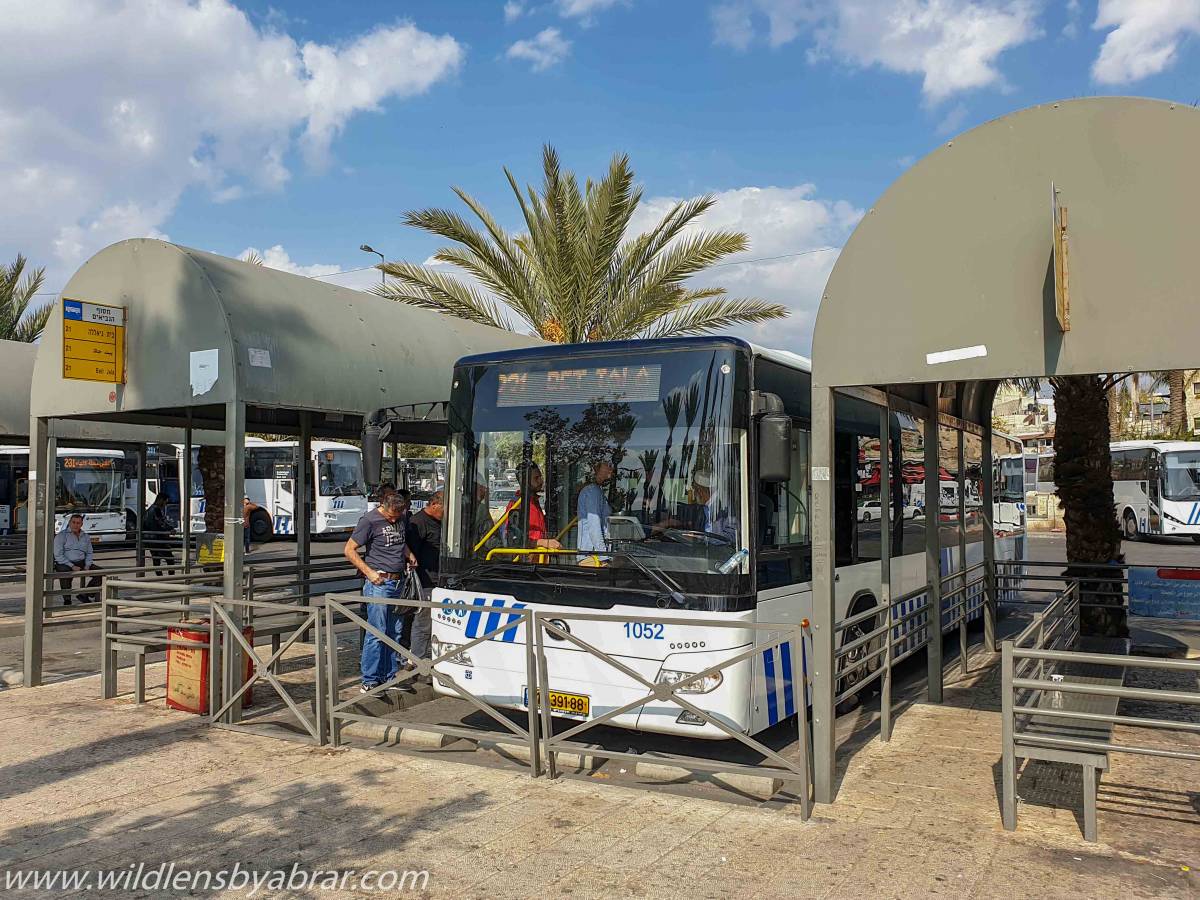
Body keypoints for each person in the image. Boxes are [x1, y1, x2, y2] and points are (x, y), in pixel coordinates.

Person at [344, 492, 417, 693]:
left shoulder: (401, 517)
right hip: (379, 582)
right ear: (383, 506)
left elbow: (398, 541)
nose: (394, 520)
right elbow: (349, 549)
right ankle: (370, 680)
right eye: (391, 516)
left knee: (395, 631)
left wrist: (408, 554)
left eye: (397, 516)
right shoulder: (369, 520)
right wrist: (369, 572)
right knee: (377, 632)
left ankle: (388, 677)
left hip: (398, 581)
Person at [405, 488, 443, 664]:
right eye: (444, 508)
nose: (446, 513)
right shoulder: (418, 522)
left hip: (441, 579)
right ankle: (417, 658)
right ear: (434, 504)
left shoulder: (441, 521)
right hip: (426, 580)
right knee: (423, 622)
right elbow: (410, 552)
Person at [500, 462, 560, 553]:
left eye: (540, 477)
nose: (541, 481)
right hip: (526, 561)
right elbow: (514, 541)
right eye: (536, 478)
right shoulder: (517, 504)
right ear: (524, 481)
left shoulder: (534, 501)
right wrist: (542, 542)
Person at [53, 514, 102, 605]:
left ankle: (85, 594)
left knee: (101, 573)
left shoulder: (85, 536)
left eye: (78, 523)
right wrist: (72, 566)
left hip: (81, 562)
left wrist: (87, 565)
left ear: (81, 524)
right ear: (69, 523)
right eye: (73, 522)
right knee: (65, 572)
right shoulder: (61, 536)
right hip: (65, 563)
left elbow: (89, 552)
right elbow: (58, 555)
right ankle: (67, 599)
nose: (75, 525)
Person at [577, 459, 614, 556]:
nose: (611, 469)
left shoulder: (597, 491)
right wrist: (603, 555)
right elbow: (594, 525)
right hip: (593, 555)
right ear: (597, 469)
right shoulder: (593, 491)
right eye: (607, 465)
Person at [144, 492, 176, 575]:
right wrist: (170, 528)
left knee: (156, 560)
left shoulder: (149, 510)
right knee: (170, 559)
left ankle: (160, 578)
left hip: (149, 539)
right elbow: (161, 523)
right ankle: (171, 578)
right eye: (165, 502)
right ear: (161, 500)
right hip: (158, 539)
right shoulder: (156, 509)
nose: (165, 505)